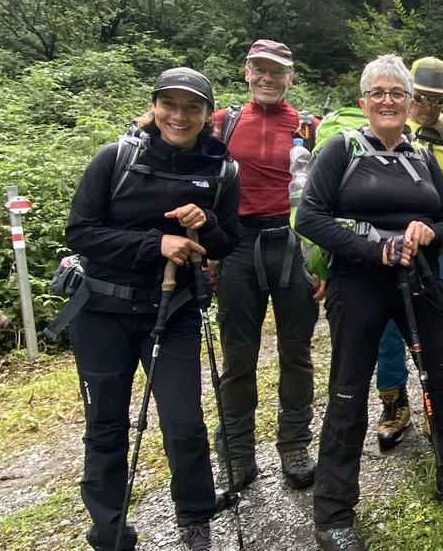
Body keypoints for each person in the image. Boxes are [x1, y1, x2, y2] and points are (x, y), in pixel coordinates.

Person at [294, 55, 443, 551]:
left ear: (410, 102)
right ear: (364, 102)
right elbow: (310, 218)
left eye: (397, 93)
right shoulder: (341, 148)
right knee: (348, 391)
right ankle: (334, 514)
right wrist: (374, 249)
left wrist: (429, 232)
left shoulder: (422, 156)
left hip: (420, 279)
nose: (388, 100)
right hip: (357, 283)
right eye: (378, 93)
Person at [63, 67, 241, 550]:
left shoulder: (222, 171)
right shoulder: (116, 158)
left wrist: (204, 224)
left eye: (192, 107)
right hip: (101, 311)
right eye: (169, 104)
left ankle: (196, 514)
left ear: (208, 114)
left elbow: (227, 242)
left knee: (184, 422)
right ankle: (109, 530)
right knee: (106, 425)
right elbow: (80, 232)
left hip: (174, 310)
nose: (179, 116)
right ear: (155, 106)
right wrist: (156, 244)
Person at [208, 39, 320, 491]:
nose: (267, 78)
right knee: (238, 355)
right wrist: (208, 251)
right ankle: (237, 453)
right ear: (246, 72)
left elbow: (325, 198)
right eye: (260, 69)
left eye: (277, 71)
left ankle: (294, 444)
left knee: (297, 350)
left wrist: (323, 261)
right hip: (237, 244)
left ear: (290, 77)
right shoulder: (222, 122)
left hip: (294, 243)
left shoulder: (309, 127)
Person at [372, 56, 443, 450]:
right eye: (422, 97)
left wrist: (440, 220)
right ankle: (394, 402)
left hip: (438, 245)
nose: (428, 106)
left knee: (439, 321)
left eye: (438, 99)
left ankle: (439, 402)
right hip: (389, 244)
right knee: (387, 324)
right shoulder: (388, 130)